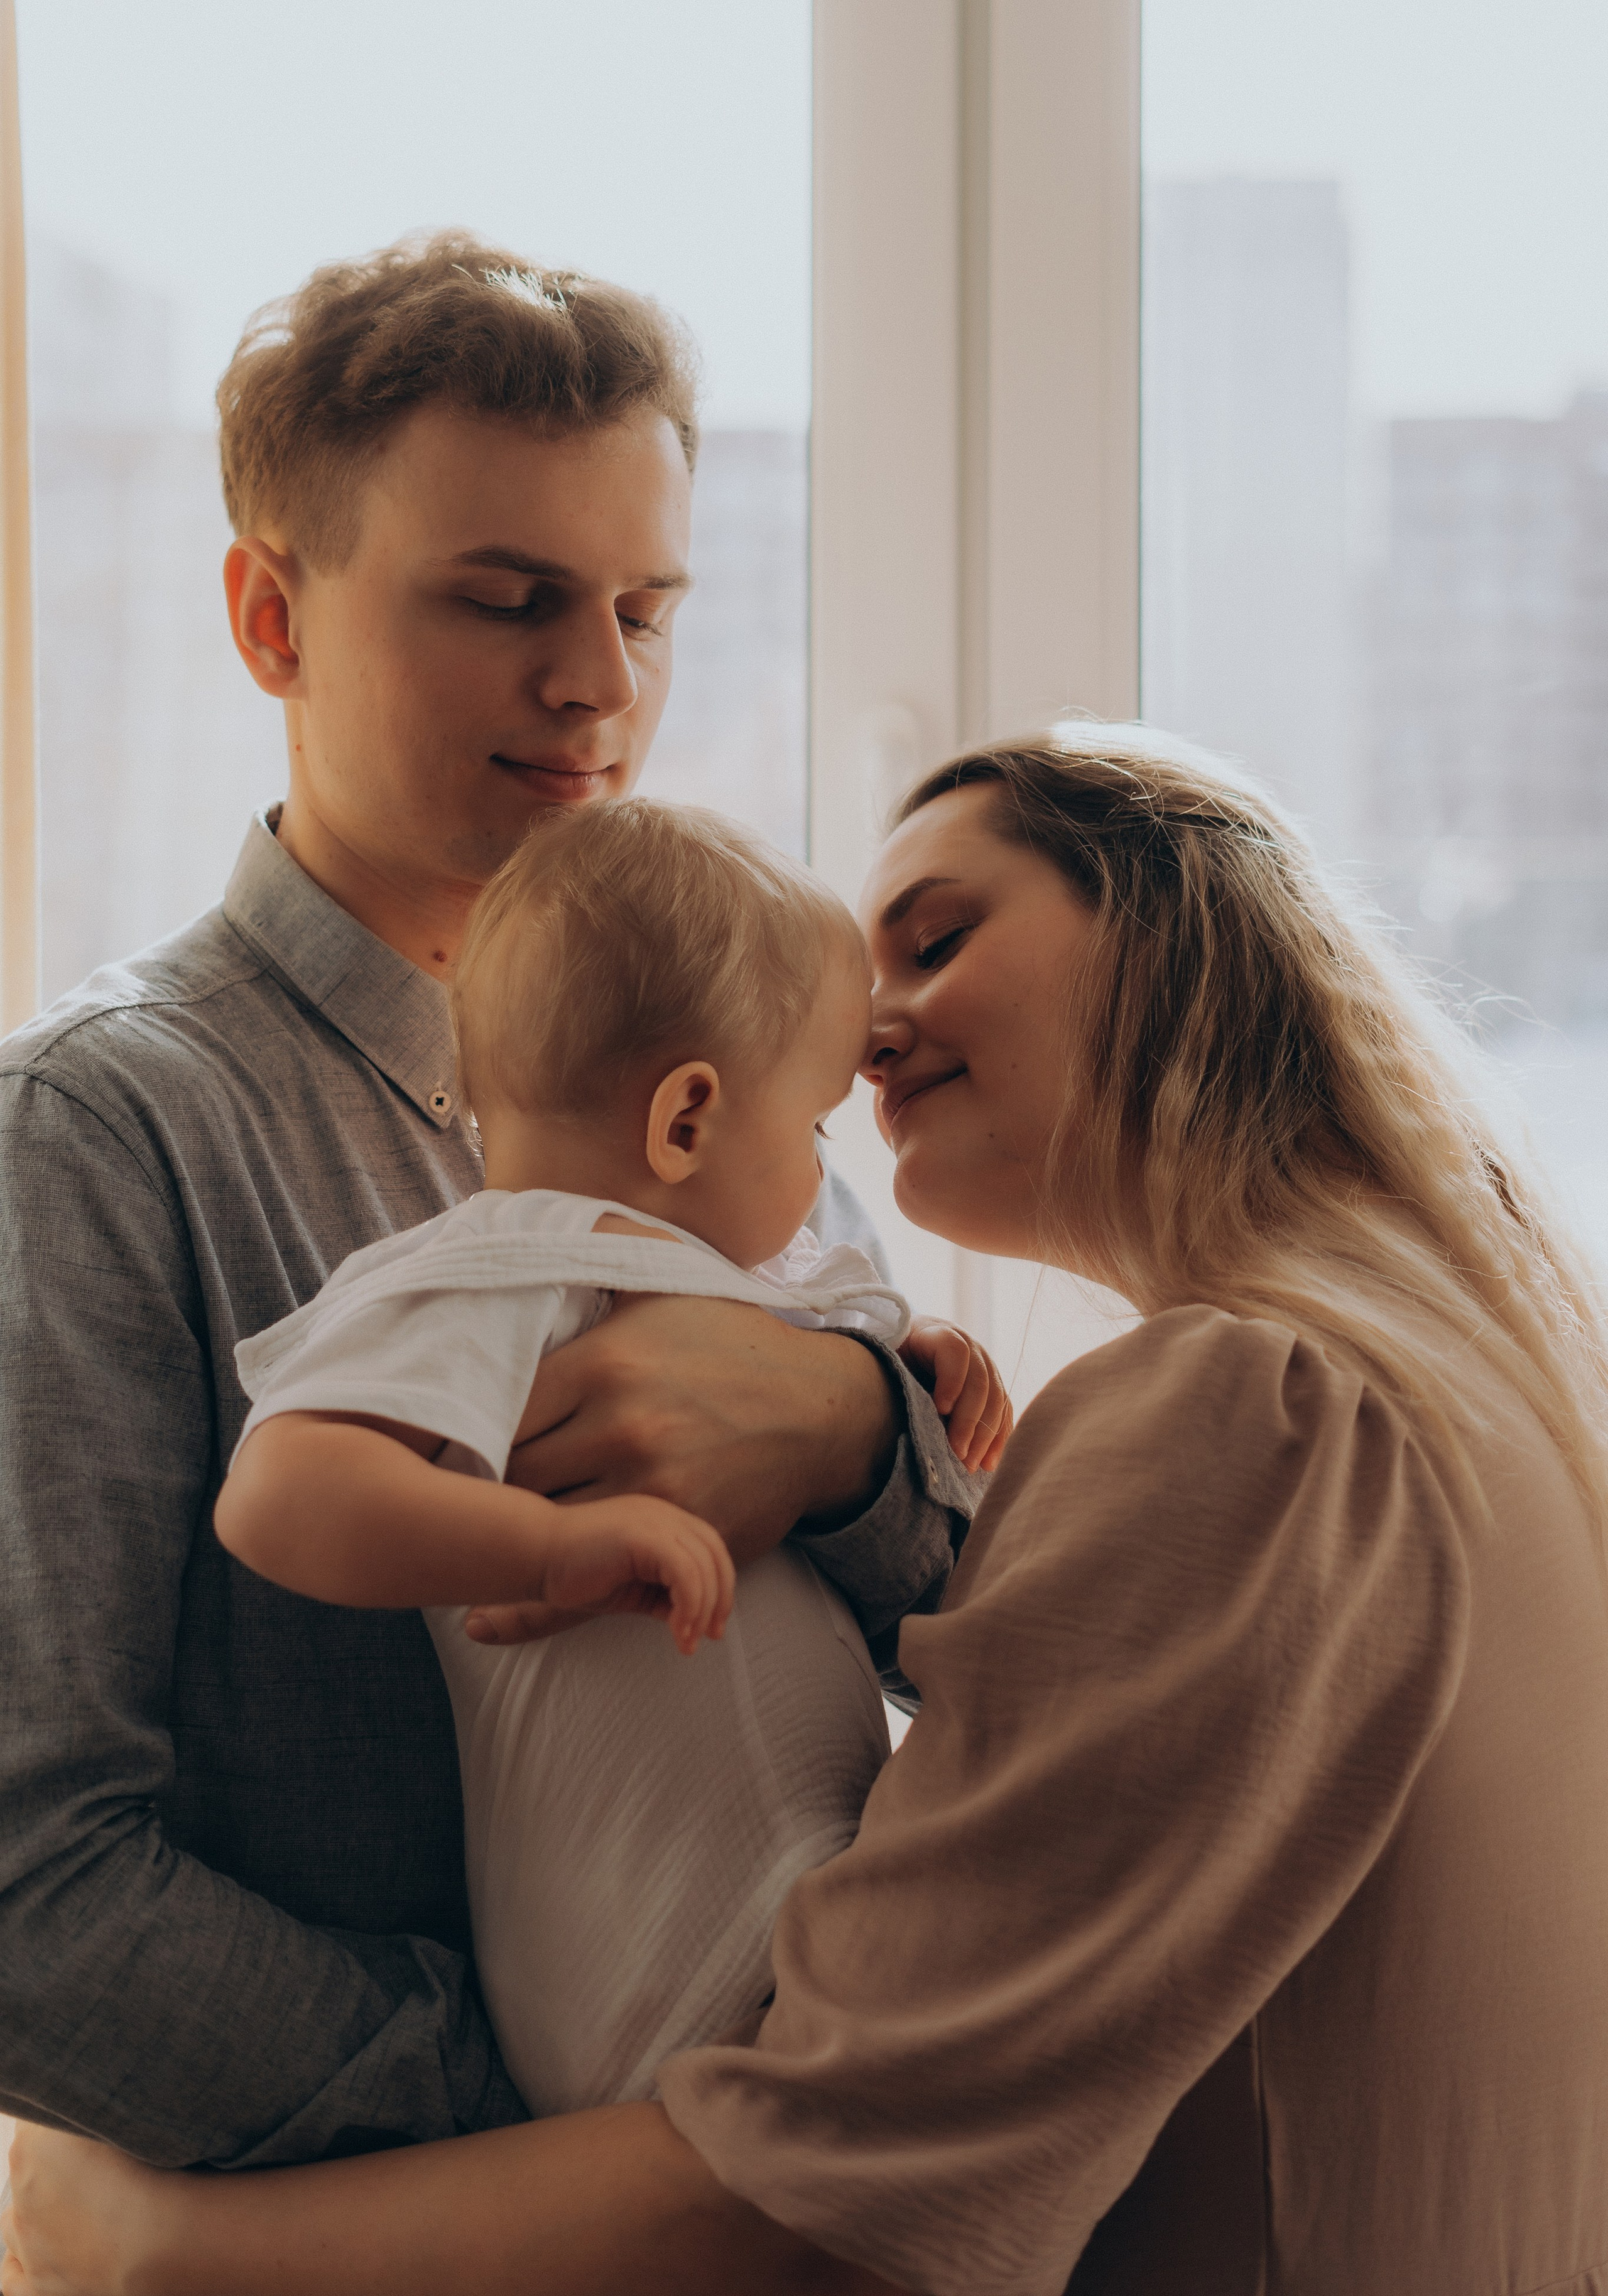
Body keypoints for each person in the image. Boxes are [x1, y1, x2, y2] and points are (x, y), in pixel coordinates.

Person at [11, 725, 1607, 2296]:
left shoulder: (1251, 1412)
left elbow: (811, 2203)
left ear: (1173, 932)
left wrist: (163, 2249)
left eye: (936, 938)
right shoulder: (1466, 1385)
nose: (870, 1034)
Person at [0, 236, 975, 2169]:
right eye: (511, 598)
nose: (605, 683)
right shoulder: (96, 1141)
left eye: (646, 605)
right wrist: (557, 2126)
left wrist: (855, 1431)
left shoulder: (731, 1051)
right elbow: (30, 1896)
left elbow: (955, 1630)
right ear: (270, 617)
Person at [217, 796, 1005, 2121]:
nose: (821, 1175)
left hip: (817, 1916)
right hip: (654, 1970)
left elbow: (831, 1313)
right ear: (684, 1121)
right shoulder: (493, 1272)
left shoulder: (745, 1284)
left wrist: (915, 1350)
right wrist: (555, 1543)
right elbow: (278, 1496)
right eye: (812, 1129)